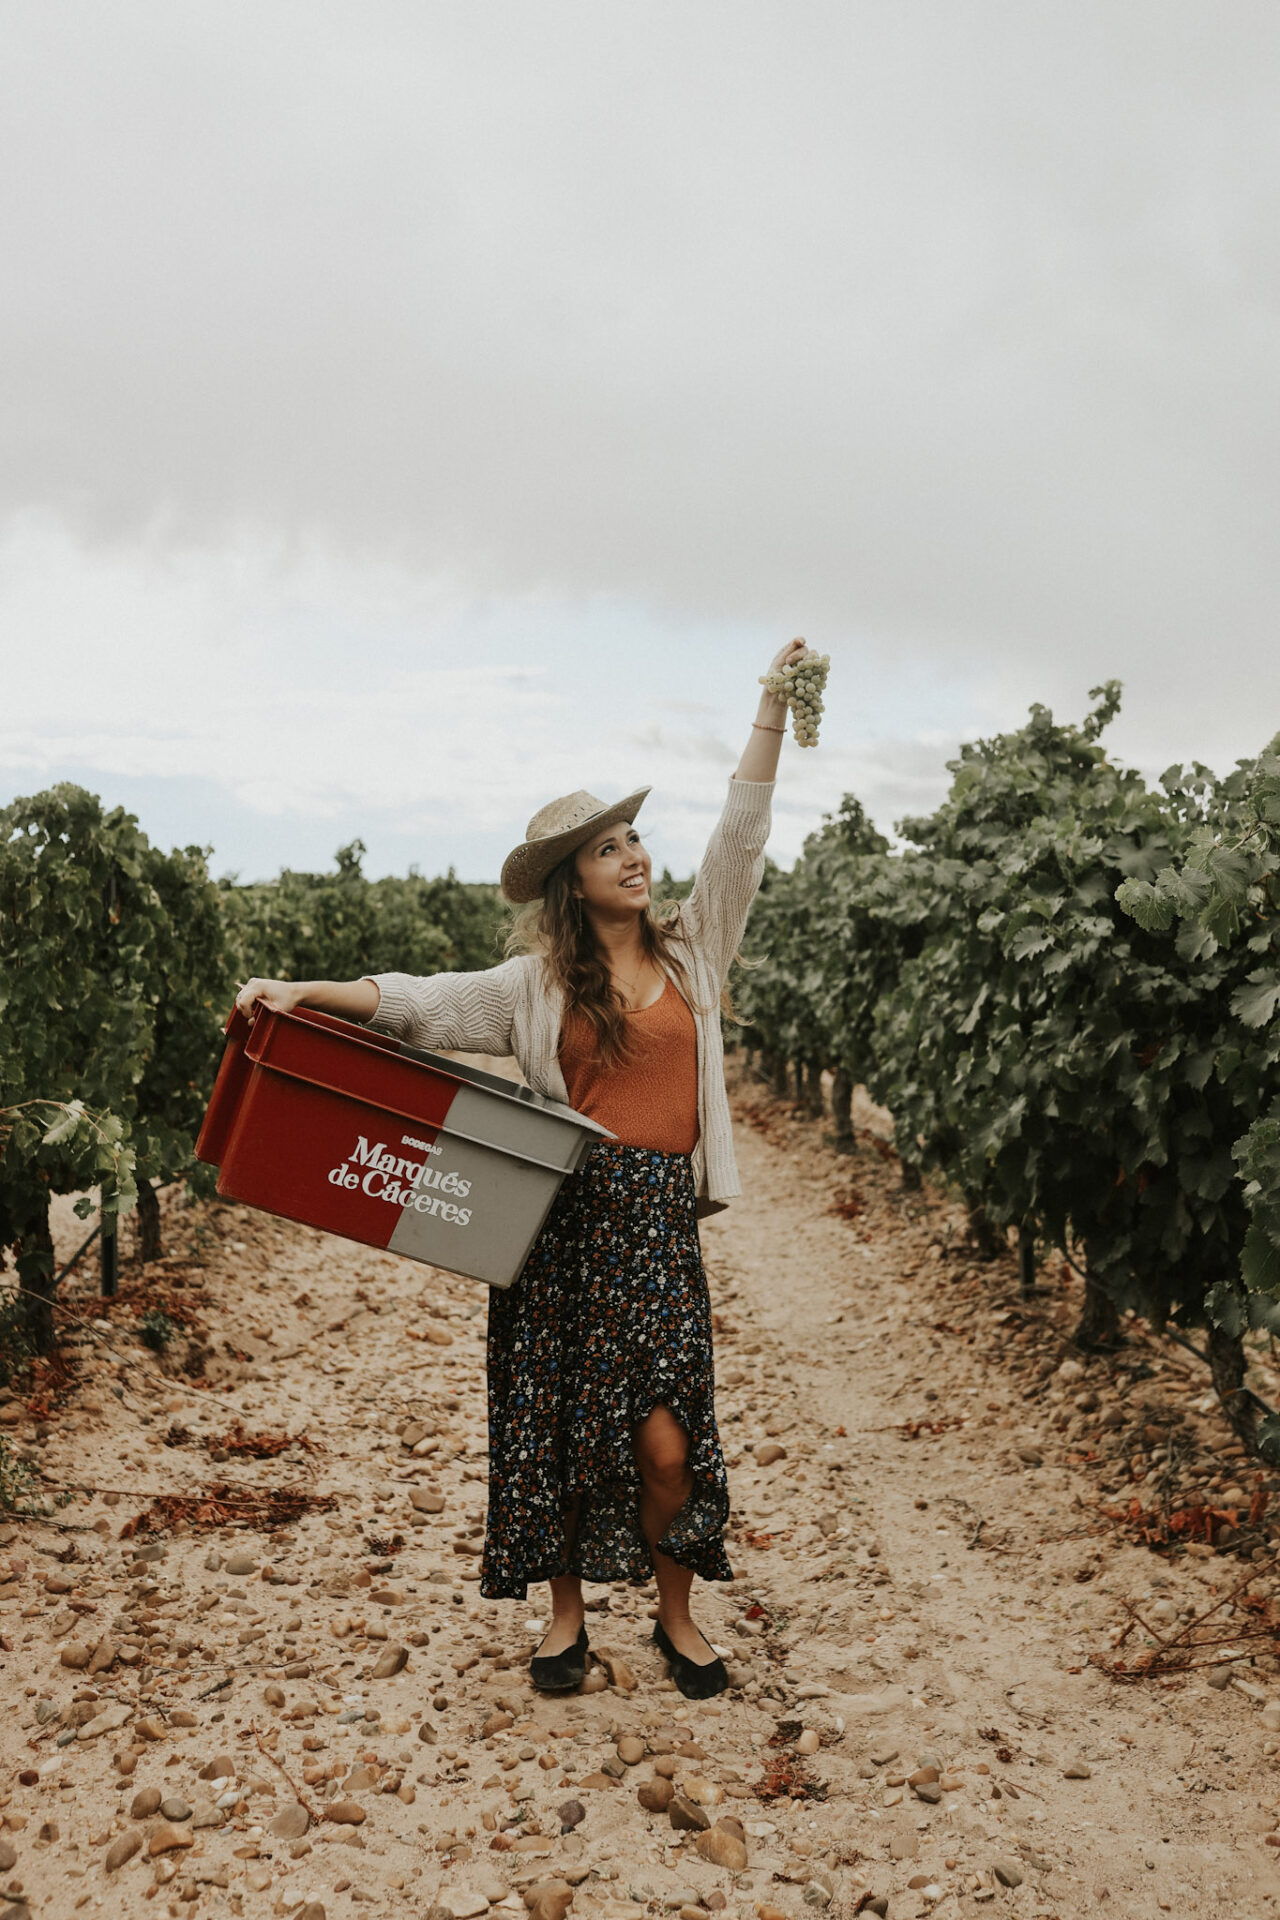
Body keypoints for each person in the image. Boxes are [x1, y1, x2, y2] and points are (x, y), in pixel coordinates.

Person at [234, 638, 806, 1699]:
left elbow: (741, 834)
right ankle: (564, 1620)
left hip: (652, 1231)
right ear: (569, 883)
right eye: (608, 849)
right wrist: (299, 990)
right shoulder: (532, 984)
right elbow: (420, 1003)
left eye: (636, 837)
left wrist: (771, 705)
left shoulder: (695, 951)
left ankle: (676, 1615)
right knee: (550, 1423)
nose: (634, 856)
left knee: (669, 1445)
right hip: (556, 1222)